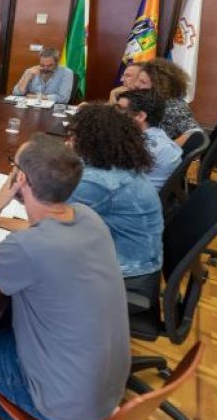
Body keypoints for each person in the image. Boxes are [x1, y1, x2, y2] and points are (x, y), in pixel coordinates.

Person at [0, 134, 130, 420]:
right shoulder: (87, 217)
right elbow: (35, 226)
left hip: (60, 405)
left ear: (20, 178)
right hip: (107, 388)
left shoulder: (30, 247)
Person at [66, 103, 163, 299]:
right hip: (143, 260)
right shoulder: (118, 162)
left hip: (128, 277)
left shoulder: (100, 182)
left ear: (90, 141)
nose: (69, 140)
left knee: (35, 262)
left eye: (74, 136)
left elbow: (49, 219)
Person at [117, 89, 182, 190]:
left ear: (140, 116)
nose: (113, 115)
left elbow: (112, 180)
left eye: (120, 110)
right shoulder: (157, 135)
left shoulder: (146, 147)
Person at [134, 58, 200, 144]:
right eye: (138, 80)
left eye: (143, 82)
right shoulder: (152, 99)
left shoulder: (174, 107)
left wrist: (168, 150)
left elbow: (195, 133)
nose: (136, 84)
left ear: (159, 86)